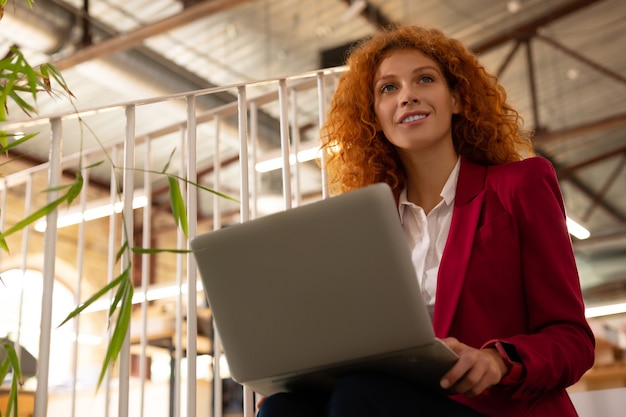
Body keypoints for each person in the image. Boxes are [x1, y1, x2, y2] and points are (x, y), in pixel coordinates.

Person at [257, 25, 595, 417]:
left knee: (360, 395)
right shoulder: (364, 228)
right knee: (284, 407)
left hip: (494, 409)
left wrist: (497, 361)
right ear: (375, 117)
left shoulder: (520, 184)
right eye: (389, 88)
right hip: (392, 401)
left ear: (456, 99)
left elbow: (572, 340)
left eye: (425, 79)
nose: (408, 95)